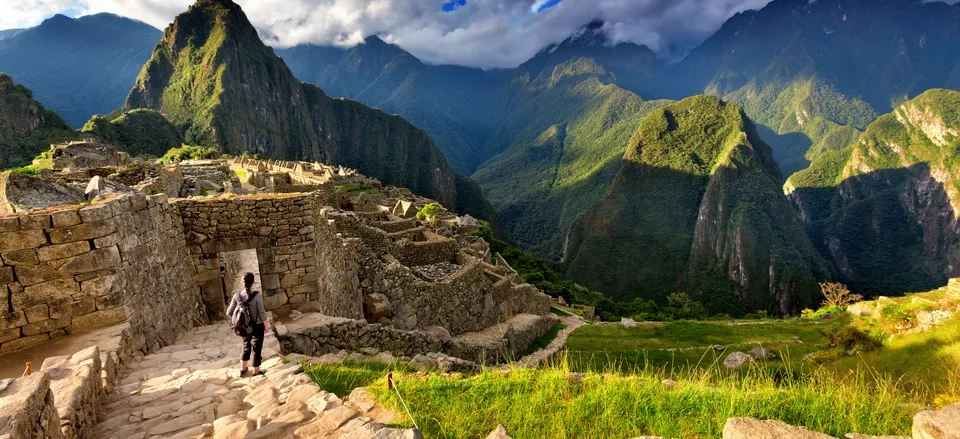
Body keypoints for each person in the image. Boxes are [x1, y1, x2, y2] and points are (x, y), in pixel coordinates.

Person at [227, 272, 269, 376]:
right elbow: (261, 312)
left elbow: (229, 312)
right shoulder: (257, 295)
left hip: (244, 327)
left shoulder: (237, 296)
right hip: (257, 326)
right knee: (256, 348)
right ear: (253, 282)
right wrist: (266, 325)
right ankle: (256, 372)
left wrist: (239, 320)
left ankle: (243, 370)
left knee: (246, 346)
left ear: (242, 282)